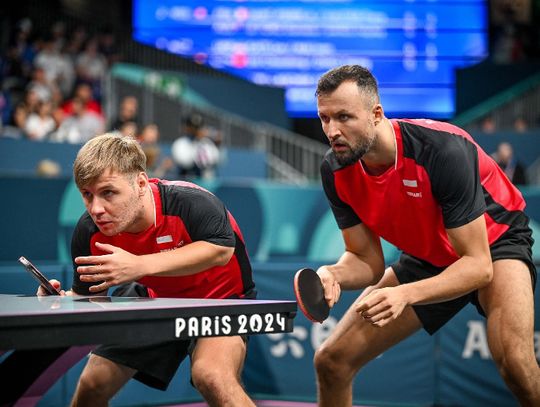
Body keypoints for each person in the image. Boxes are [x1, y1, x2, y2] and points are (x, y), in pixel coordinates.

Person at [312, 65, 538, 406]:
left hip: (493, 243)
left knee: (515, 363)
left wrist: (405, 294)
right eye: (325, 118)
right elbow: (366, 260)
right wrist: (334, 273)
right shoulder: (336, 169)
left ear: (376, 114)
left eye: (344, 117)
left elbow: (478, 267)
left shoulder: (441, 150)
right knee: (331, 362)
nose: (333, 131)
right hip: (428, 256)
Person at [37, 133, 257, 406]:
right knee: (92, 385)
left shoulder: (189, 202)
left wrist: (139, 264)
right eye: (87, 194)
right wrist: (60, 302)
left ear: (140, 183)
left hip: (221, 300)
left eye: (108, 193)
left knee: (211, 376)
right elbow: (89, 297)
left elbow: (222, 250)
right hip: (154, 297)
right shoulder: (89, 232)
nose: (96, 208)